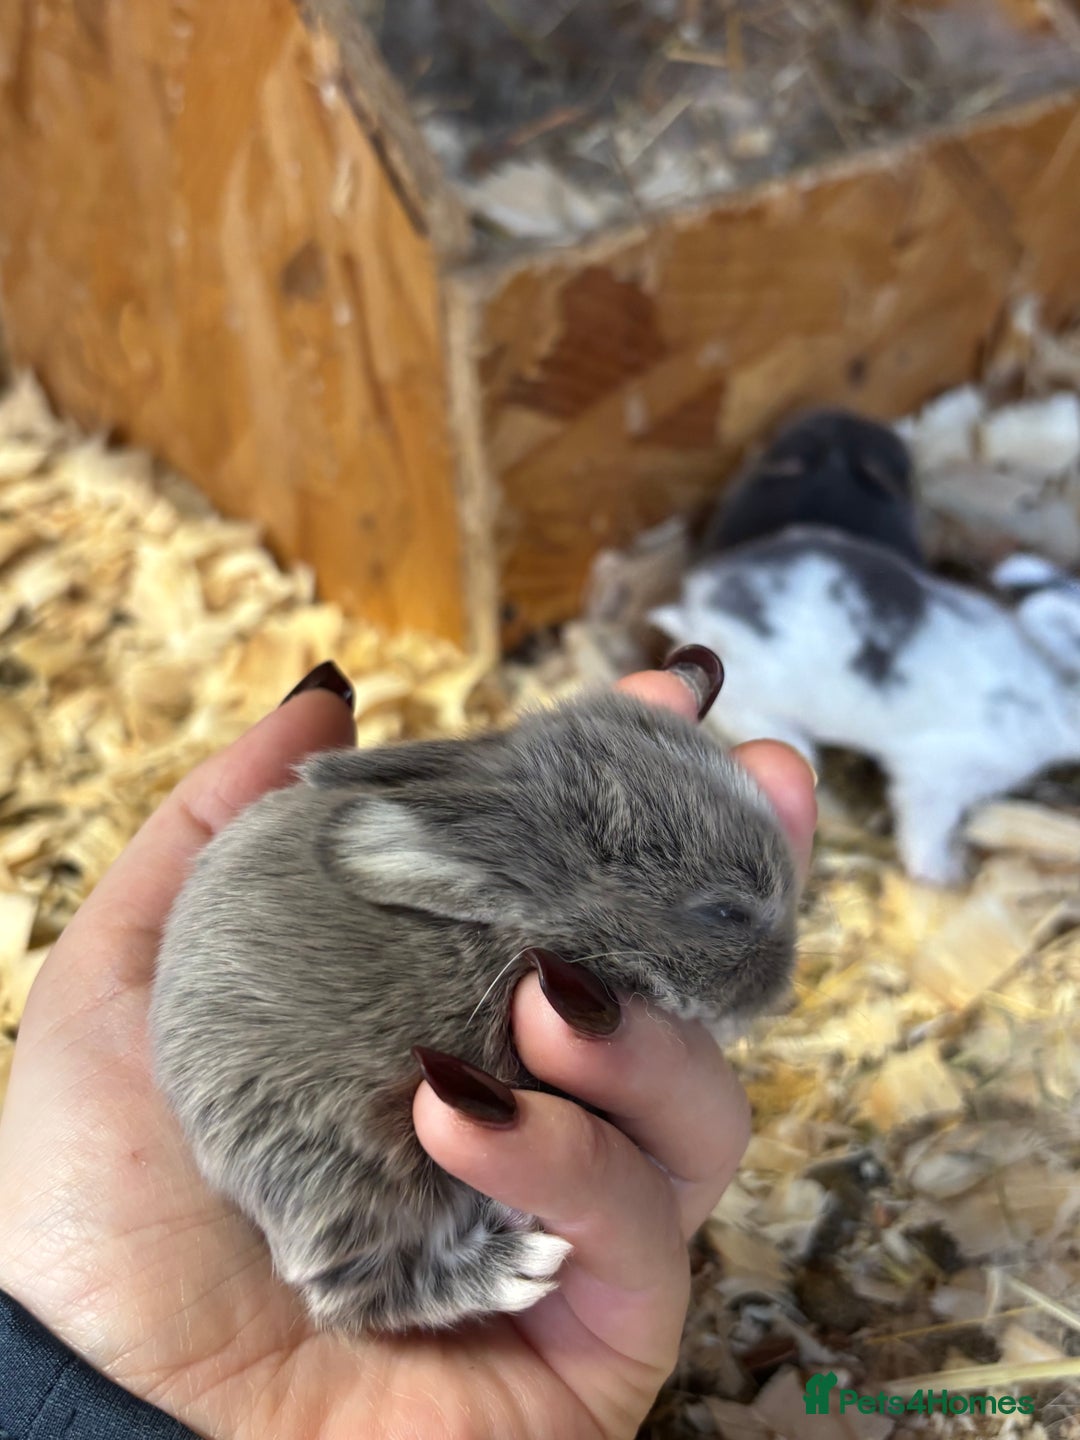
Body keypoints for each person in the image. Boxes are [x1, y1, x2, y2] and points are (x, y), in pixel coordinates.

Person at [0, 654, 816, 1440]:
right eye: (723, 917)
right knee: (372, 1170)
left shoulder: (519, 877)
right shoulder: (478, 880)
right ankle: (395, 1283)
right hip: (317, 1096)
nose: (781, 961)